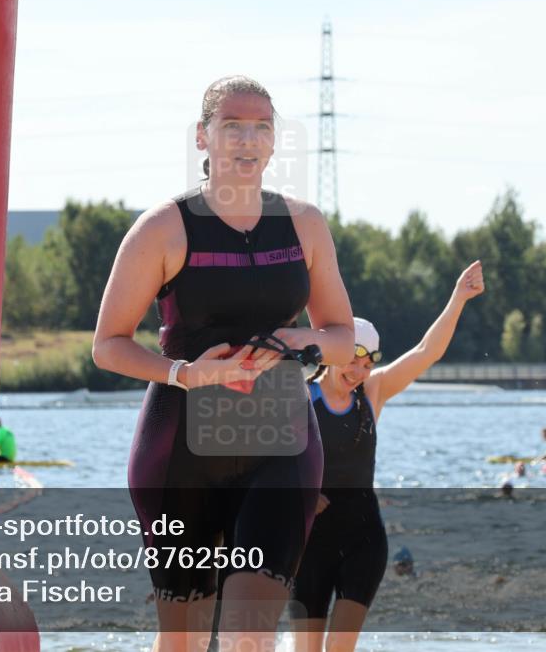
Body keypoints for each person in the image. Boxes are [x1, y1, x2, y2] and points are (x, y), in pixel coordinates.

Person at [92, 75, 354, 652]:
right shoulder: (163, 227)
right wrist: (186, 373)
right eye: (232, 125)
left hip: (280, 445)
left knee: (248, 637)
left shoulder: (304, 224)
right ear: (202, 138)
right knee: (182, 642)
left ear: (274, 141)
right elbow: (108, 344)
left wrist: (293, 338)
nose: (247, 139)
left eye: (262, 127)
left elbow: (342, 336)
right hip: (179, 449)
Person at [289, 262, 484, 652]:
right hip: (308, 541)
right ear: (333, 352)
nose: (359, 370)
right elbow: (263, 464)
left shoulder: (371, 394)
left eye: (368, 362)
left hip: (363, 538)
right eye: (354, 358)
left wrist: (458, 298)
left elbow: (427, 352)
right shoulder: (298, 399)